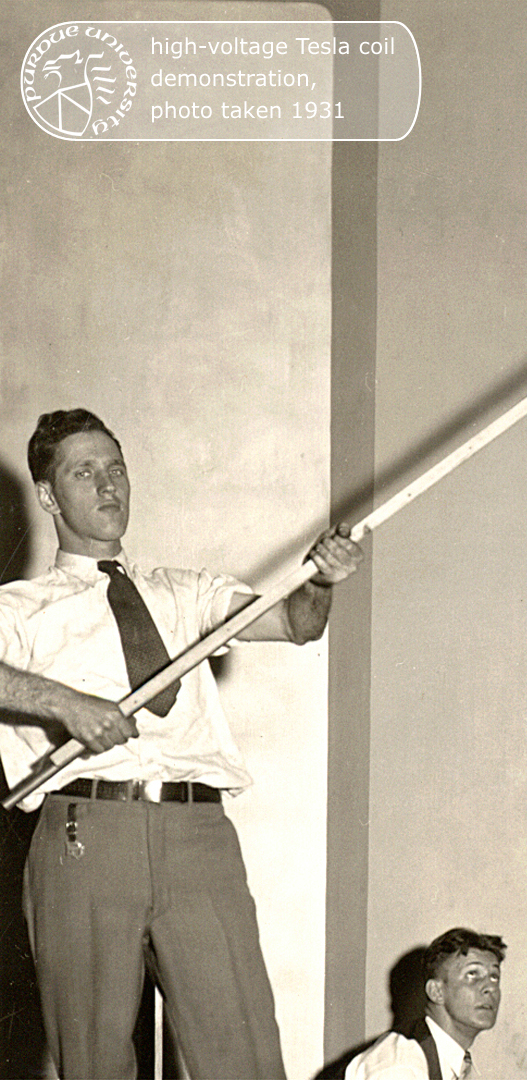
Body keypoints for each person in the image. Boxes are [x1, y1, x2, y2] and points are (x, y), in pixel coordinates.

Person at [0, 408, 363, 1079]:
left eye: (116, 468)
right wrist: (66, 704)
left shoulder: (186, 591)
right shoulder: (20, 607)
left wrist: (319, 581)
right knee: (93, 1059)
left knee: (244, 1051)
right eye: (84, 472)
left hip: (197, 834)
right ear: (47, 496)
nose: (108, 484)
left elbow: (295, 622)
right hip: (86, 833)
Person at [345, 928, 506, 1080]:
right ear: (436, 992)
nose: (490, 988)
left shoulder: (452, 1061)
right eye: (472, 974)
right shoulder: (400, 1068)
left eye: (494, 977)